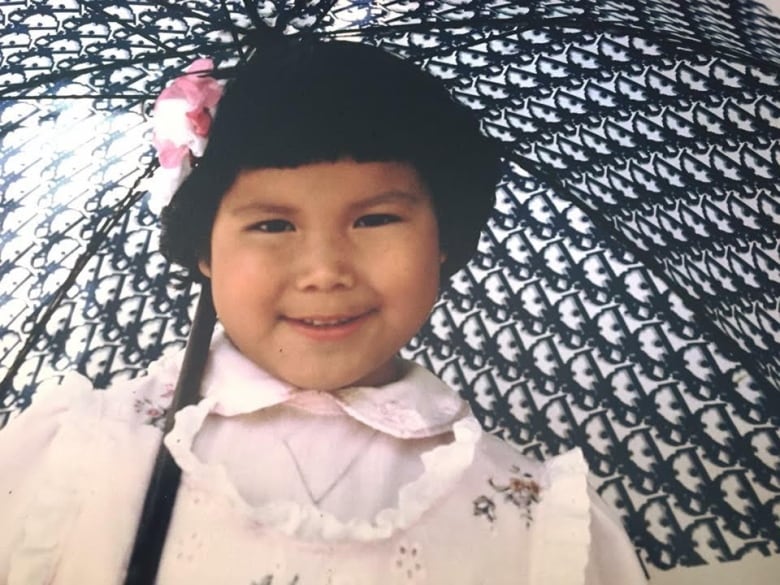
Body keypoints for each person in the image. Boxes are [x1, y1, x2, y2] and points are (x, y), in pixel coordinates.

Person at [0, 39, 646, 584]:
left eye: (375, 218)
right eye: (273, 223)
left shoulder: (530, 516)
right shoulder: (82, 456)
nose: (325, 269)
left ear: (444, 237)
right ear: (204, 246)